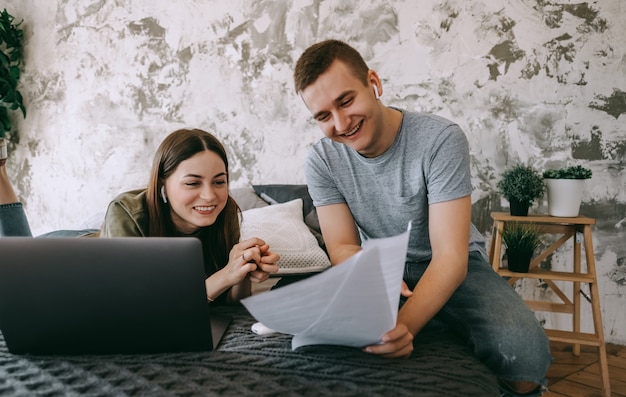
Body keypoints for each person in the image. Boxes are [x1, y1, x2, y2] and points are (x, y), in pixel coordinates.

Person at [293, 39, 551, 396]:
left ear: (373, 82)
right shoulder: (321, 160)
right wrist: (366, 271)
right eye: (323, 116)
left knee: (527, 359)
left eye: (346, 100)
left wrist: (406, 326)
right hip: (380, 268)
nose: (340, 123)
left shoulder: (440, 139)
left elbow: (450, 257)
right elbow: (341, 245)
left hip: (453, 261)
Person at [0, 129, 279, 304]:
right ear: (163, 186)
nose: (210, 196)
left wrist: (242, 270)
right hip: (68, 256)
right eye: (193, 183)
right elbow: (131, 305)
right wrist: (221, 277)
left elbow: (229, 303)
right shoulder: (128, 212)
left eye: (219, 181)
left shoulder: (226, 211)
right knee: (15, 270)